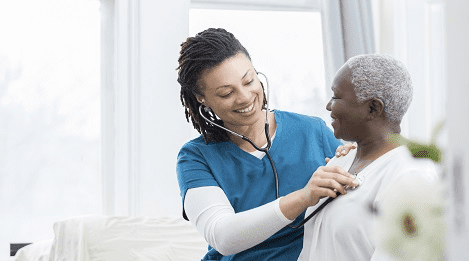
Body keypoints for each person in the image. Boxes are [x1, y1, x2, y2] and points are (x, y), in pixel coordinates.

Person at [176, 28, 358, 260]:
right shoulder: (195, 157)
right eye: (226, 93)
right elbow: (223, 237)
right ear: (202, 99)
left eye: (249, 80)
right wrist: (305, 196)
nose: (244, 97)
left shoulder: (313, 131)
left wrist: (359, 161)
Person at [297, 54, 439, 261]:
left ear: (373, 108)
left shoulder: (410, 176)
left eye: (336, 96)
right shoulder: (341, 160)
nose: (328, 106)